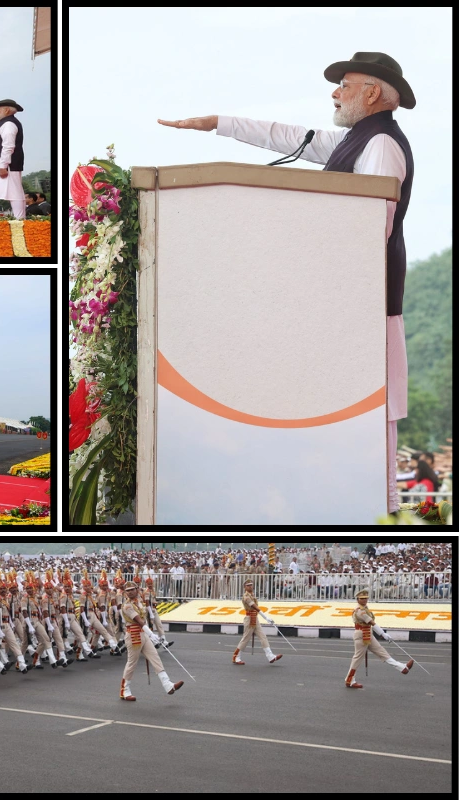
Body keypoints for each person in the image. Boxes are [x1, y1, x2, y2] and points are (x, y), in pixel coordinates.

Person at [158, 52, 415, 514]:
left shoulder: (379, 145)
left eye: (345, 85)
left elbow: (365, 234)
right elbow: (292, 138)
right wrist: (218, 123)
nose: (335, 93)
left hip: (361, 311)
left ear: (372, 93)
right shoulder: (359, 139)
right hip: (342, 308)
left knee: (367, 421)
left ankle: (375, 511)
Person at [118, 581, 183, 701]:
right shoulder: (127, 605)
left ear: (137, 589)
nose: (130, 592)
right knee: (132, 663)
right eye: (127, 590)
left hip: (143, 634)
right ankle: (125, 690)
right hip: (133, 635)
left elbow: (144, 619)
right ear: (125, 593)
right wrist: (150, 632)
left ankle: (168, 685)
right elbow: (138, 620)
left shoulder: (139, 603)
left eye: (132, 589)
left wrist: (148, 631)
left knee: (155, 658)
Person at [346, 589, 412, 688]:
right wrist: (382, 633)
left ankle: (402, 668)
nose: (364, 600)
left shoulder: (365, 608)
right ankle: (350, 680)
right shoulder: (359, 611)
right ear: (357, 599)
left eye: (366, 598)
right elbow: (371, 622)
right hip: (361, 635)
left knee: (382, 652)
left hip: (368, 633)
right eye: (362, 599)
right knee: (357, 658)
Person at [0, 99, 27, 219]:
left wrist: (3, 165)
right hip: (4, 164)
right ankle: (19, 218)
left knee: (15, 193)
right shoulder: (6, 123)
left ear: (7, 110)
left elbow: (8, 146)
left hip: (8, 165)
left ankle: (20, 219)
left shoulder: (9, 124)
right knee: (13, 193)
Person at [233, 578, 283, 665]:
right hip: (249, 618)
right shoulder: (246, 596)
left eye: (251, 585)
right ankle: (236, 656)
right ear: (245, 587)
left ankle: (270, 656)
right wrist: (265, 617)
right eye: (248, 585)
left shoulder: (252, 595)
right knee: (245, 639)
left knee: (262, 636)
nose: (250, 587)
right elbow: (254, 606)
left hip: (255, 618)